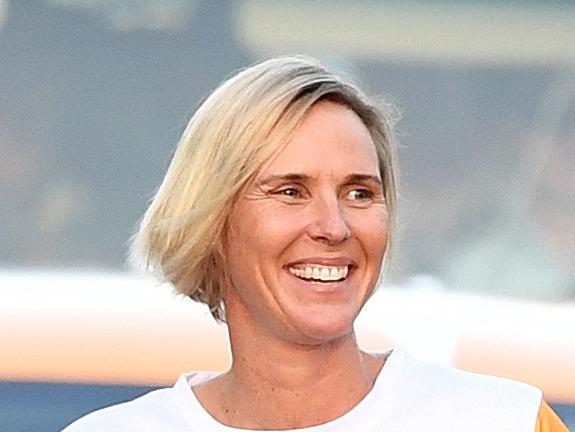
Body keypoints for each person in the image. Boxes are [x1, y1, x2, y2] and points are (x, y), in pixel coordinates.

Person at [62, 56, 568, 431]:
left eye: (359, 192)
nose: (334, 226)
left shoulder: (506, 421)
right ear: (214, 221)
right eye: (290, 191)